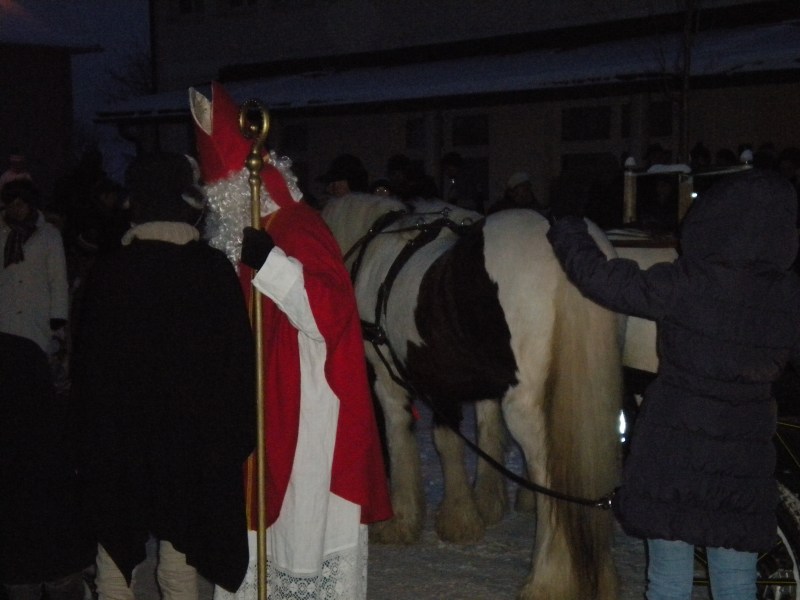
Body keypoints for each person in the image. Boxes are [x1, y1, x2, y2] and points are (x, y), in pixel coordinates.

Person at [546, 168, 800, 599]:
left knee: (667, 579)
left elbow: (601, 279)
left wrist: (569, 227)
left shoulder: (687, 282)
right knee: (737, 579)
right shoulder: (786, 295)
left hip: (672, 447)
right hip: (743, 453)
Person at [189, 81, 392, 600]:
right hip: (264, 411)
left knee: (301, 535)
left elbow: (331, 315)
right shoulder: (244, 238)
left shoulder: (298, 229)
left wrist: (272, 264)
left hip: (308, 413)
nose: (220, 214)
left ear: (245, 189)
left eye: (222, 198)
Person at [70, 152, 255, 599]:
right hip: (189, 445)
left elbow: (88, 367)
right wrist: (230, 436)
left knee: (113, 557)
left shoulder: (109, 273)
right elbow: (237, 363)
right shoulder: (210, 272)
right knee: (179, 556)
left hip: (119, 441)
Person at [0, 179, 69, 355]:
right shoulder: (2, 234)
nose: (16, 209)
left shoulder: (49, 235)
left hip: (37, 315)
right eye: (12, 204)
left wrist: (58, 317)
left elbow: (57, 278)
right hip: (5, 312)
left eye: (20, 204)